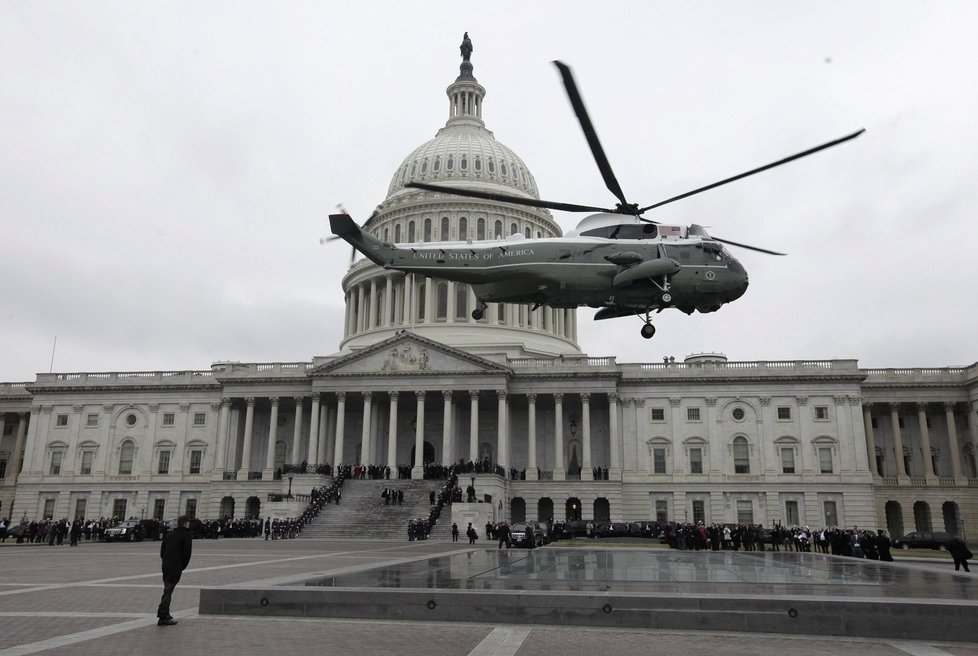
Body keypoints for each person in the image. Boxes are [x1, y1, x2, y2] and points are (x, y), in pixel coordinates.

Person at [157, 516, 193, 626]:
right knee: (168, 591)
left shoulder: (169, 534)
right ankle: (163, 616)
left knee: (167, 589)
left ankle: (165, 613)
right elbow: (187, 554)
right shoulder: (186, 535)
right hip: (176, 566)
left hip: (166, 565)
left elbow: (162, 553)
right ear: (185, 523)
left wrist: (167, 561)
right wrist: (182, 566)